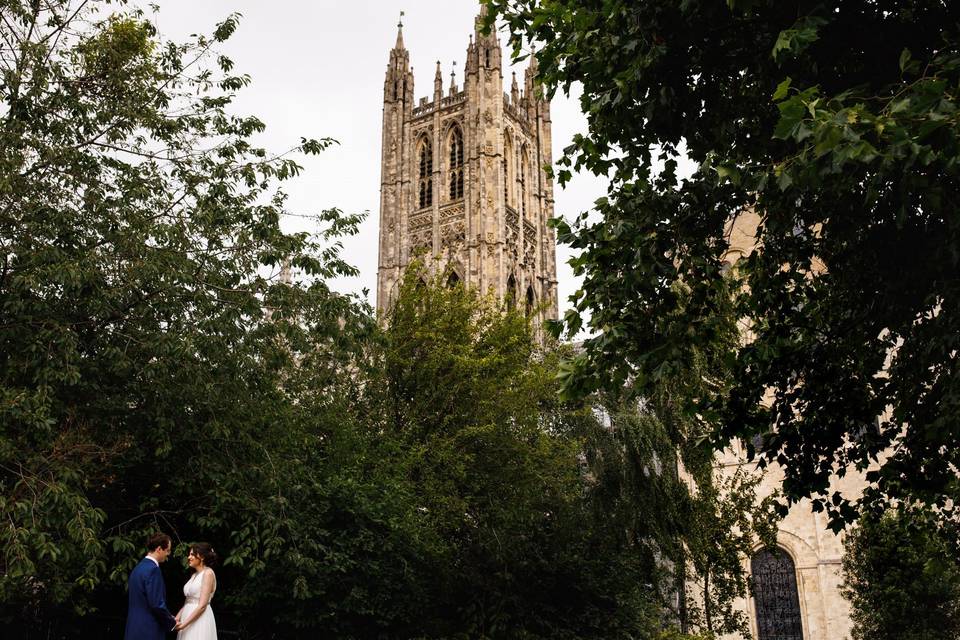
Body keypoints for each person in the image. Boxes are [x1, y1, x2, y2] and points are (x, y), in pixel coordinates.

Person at [124, 532, 179, 640]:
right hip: (149, 630)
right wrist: (171, 622)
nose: (168, 554)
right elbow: (156, 604)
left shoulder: (138, 568)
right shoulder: (153, 570)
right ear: (159, 549)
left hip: (133, 628)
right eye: (167, 550)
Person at [175, 542, 218, 640]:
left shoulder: (208, 574)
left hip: (200, 619)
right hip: (187, 616)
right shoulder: (194, 575)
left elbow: (202, 605)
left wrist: (184, 625)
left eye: (192, 555)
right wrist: (177, 618)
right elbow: (188, 601)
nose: (189, 557)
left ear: (201, 557)